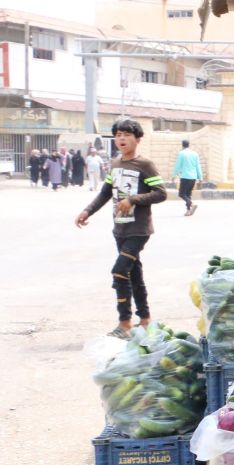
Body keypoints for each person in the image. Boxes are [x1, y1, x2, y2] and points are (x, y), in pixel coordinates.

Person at [75, 119, 168, 338]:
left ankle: (124, 323)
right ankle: (145, 320)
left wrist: (134, 199)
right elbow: (105, 193)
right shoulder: (115, 164)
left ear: (137, 139)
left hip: (139, 229)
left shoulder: (145, 165)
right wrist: (87, 211)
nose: (121, 139)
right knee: (133, 274)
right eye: (118, 135)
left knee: (119, 270)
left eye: (126, 134)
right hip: (120, 230)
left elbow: (161, 193)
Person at [173, 139, 202, 216]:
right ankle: (188, 211)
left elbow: (178, 166)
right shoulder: (195, 154)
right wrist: (200, 178)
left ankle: (192, 204)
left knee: (181, 194)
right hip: (193, 178)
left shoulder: (181, 153)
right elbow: (198, 166)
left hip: (185, 177)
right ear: (189, 145)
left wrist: (174, 175)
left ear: (182, 145)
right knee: (188, 195)